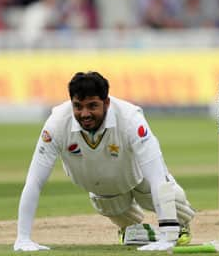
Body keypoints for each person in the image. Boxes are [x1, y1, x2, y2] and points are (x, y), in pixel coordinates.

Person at [14, 72, 194, 251]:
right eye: (78, 106)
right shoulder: (57, 123)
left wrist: (167, 237)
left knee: (169, 197)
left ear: (106, 102)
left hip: (139, 174)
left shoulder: (130, 118)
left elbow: (157, 177)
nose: (85, 114)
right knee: (109, 204)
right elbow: (34, 181)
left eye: (92, 106)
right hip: (101, 186)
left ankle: (179, 227)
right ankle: (130, 229)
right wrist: (23, 239)